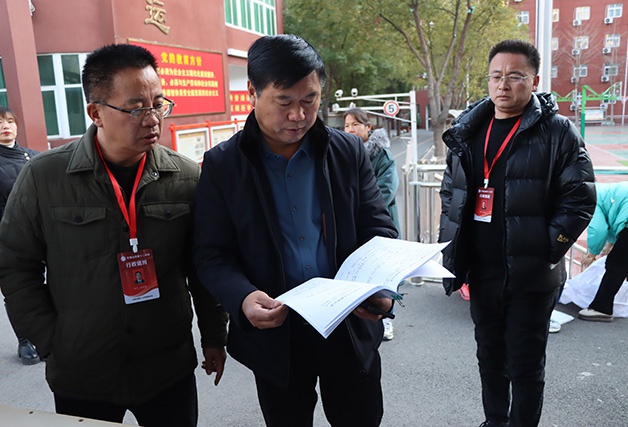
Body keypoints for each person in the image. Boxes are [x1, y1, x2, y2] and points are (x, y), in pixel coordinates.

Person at [0, 44, 228, 426]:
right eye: (136, 108)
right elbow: (14, 263)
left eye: (158, 104)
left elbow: (204, 267)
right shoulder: (44, 177)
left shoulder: (186, 178)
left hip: (166, 368)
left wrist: (214, 336)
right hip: (82, 374)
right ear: (96, 113)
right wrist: (51, 340)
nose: (152, 119)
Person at [194, 34, 397, 427]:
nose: (299, 115)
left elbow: (378, 229)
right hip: (277, 334)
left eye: (310, 100)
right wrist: (243, 297)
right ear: (252, 92)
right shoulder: (223, 165)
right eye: (284, 101)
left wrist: (381, 287)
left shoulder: (347, 152)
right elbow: (211, 253)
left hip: (347, 326)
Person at [438, 39, 596, 427]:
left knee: (525, 364)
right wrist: (453, 246)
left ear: (534, 80)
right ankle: (494, 421)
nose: (503, 85)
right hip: (481, 272)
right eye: (496, 76)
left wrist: (547, 249)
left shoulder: (557, 131)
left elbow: (580, 198)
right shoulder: (469, 128)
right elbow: (450, 191)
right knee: (489, 358)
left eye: (514, 76)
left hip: (531, 276)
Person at [343, 108, 400, 341]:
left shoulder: (382, 155)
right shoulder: (343, 153)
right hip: (353, 225)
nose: (350, 130)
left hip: (378, 222)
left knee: (385, 273)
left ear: (368, 127)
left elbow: (386, 190)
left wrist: (356, 209)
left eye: (355, 125)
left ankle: (387, 318)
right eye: (347, 125)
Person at [0, 106, 41, 365]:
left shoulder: (34, 158)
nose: (5, 126)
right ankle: (25, 340)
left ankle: (44, 335)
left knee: (48, 286)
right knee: (17, 290)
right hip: (7, 241)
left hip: (39, 237)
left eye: (9, 121)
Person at [578, 181, 628, 322]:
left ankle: (601, 308)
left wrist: (592, 254)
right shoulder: (601, 190)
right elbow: (614, 215)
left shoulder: (591, 199)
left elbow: (598, 229)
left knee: (616, 264)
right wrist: (610, 243)